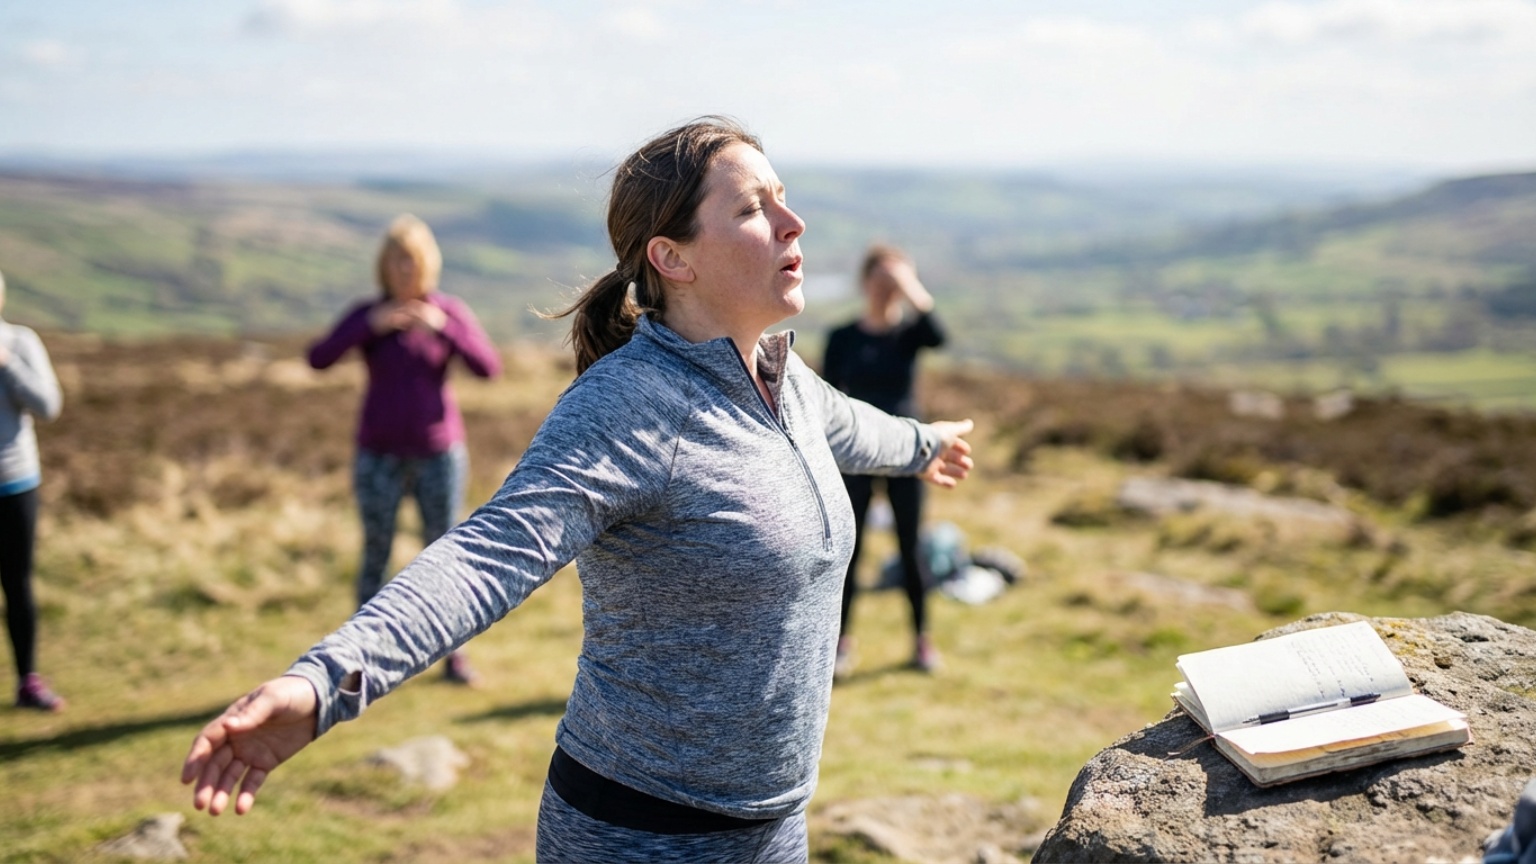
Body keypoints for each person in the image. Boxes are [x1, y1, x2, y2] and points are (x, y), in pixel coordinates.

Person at [181, 118, 973, 863]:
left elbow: (856, 428)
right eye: (754, 208)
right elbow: (485, 553)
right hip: (636, 835)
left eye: (785, 199)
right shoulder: (630, 407)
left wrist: (925, 446)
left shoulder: (784, 379)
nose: (793, 223)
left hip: (774, 830)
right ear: (673, 257)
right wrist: (326, 682)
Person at [306, 214, 502, 684]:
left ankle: (453, 658)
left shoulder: (447, 311)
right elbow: (318, 358)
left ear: (426, 265)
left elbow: (487, 367)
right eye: (395, 260)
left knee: (444, 557)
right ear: (383, 266)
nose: (403, 269)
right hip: (379, 456)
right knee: (376, 552)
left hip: (439, 456)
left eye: (411, 260)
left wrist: (440, 328)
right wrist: (370, 326)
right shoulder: (369, 315)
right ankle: (354, 663)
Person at [822, 245, 947, 677]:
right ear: (864, 282)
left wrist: (910, 285)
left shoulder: (908, 335)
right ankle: (840, 642)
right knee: (848, 552)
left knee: (911, 548)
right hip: (854, 455)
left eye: (893, 281)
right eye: (880, 279)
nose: (886, 289)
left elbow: (938, 335)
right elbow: (826, 401)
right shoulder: (843, 338)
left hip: (907, 455)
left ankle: (921, 640)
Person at [0, 268, 65, 711]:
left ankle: (28, 682)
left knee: (17, 585)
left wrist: (6, 364)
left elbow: (48, 405)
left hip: (15, 483)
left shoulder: (21, 342)